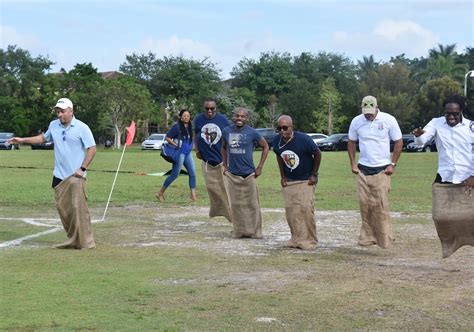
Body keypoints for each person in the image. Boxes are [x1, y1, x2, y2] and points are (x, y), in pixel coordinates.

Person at [8, 97, 97, 249]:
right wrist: (23, 140)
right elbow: (43, 138)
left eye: (62, 111)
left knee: (79, 210)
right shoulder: (53, 125)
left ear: (71, 111)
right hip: (58, 176)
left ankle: (85, 243)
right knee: (64, 211)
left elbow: (92, 149)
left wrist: (82, 169)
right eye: (57, 111)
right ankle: (73, 240)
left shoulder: (82, 127)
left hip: (76, 176)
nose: (59, 115)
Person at [412, 94, 474, 258]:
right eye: (448, 113)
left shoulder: (471, 127)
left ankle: (469, 239)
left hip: (468, 178)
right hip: (444, 176)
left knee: (470, 215)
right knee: (440, 216)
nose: (451, 117)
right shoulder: (436, 123)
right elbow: (422, 141)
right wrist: (418, 135)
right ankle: (450, 243)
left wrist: (473, 175)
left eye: (455, 113)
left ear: (461, 111)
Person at [347, 95, 403, 249]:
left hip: (382, 169)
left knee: (380, 205)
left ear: (377, 107)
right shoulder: (356, 121)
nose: (369, 115)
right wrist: (353, 163)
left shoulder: (389, 120)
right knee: (365, 205)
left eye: (371, 111)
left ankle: (385, 238)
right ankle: (367, 238)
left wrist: (393, 164)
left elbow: (399, 141)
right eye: (366, 112)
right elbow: (351, 142)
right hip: (363, 169)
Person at [272, 115, 322, 250]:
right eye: (279, 128)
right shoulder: (276, 141)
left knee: (306, 209)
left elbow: (317, 153)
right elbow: (279, 156)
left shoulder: (304, 139)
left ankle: (310, 240)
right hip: (290, 180)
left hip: (306, 179)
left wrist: (314, 174)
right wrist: (282, 176)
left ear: (291, 127)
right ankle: (296, 238)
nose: (282, 130)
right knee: (292, 211)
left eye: (285, 127)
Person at [221, 107, 269, 238]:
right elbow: (224, 147)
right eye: (237, 116)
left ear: (247, 118)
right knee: (236, 205)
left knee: (252, 204)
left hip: (249, 173)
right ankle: (239, 231)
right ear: (233, 116)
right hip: (233, 174)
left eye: (242, 116)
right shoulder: (226, 131)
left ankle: (255, 232)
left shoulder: (252, 132)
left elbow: (265, 147)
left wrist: (259, 167)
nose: (239, 118)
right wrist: (225, 165)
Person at [194, 98, 232, 222]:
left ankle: (233, 216)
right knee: (212, 189)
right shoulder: (199, 119)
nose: (209, 111)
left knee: (226, 190)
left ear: (215, 109)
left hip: (222, 161)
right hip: (206, 162)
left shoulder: (223, 119)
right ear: (203, 108)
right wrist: (197, 148)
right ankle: (220, 211)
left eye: (212, 108)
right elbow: (196, 133)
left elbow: (228, 136)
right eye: (207, 108)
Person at [156, 109, 197, 202]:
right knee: (175, 175)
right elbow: (167, 137)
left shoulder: (191, 127)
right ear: (181, 117)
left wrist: (194, 147)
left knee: (193, 174)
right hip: (180, 153)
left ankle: (193, 197)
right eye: (184, 116)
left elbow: (191, 139)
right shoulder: (177, 127)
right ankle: (160, 193)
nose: (186, 117)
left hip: (188, 153)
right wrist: (176, 145)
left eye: (188, 116)